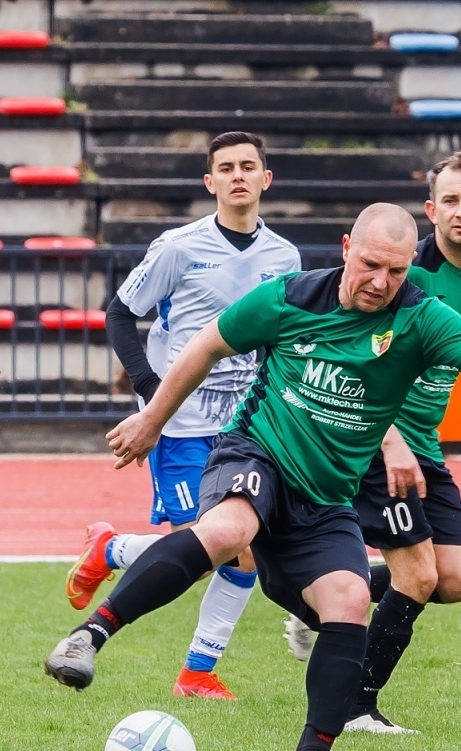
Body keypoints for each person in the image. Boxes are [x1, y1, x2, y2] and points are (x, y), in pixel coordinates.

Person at [43, 204, 461, 751]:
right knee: (228, 531)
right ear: (347, 248)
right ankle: (88, 638)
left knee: (350, 597)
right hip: (257, 455)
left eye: (396, 271)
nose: (381, 282)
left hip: (325, 500)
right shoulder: (289, 298)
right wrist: (152, 421)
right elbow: (205, 346)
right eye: (370, 264)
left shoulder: (421, 317)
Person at [65, 132, 301, 700]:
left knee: (242, 549)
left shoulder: (285, 258)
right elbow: (120, 313)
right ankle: (110, 550)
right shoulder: (178, 247)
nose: (238, 175)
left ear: (266, 179)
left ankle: (197, 672)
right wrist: (153, 392)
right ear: (210, 181)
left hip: (246, 428)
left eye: (248, 166)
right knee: (205, 550)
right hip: (182, 425)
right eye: (227, 167)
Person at [297, 150, 461, 736]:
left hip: (426, 446)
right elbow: (359, 358)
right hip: (378, 439)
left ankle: (325, 596)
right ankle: (356, 705)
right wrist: (387, 437)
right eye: (450, 200)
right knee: (417, 575)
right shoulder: (402, 273)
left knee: (459, 577)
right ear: (430, 209)